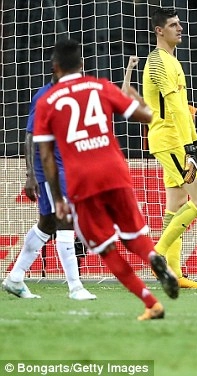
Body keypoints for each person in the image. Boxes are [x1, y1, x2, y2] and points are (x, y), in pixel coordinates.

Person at [33, 38, 179, 320]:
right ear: (82, 65)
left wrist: (59, 198)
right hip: (115, 171)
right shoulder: (101, 86)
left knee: (106, 248)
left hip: (81, 181)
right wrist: (135, 96)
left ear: (55, 67)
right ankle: (153, 259)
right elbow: (147, 117)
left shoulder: (47, 101)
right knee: (134, 235)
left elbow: (47, 157)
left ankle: (151, 303)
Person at [2, 76, 97, 301]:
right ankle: (75, 287)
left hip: (67, 167)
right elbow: (30, 135)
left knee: (47, 224)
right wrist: (30, 175)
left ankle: (15, 278)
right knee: (65, 220)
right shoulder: (44, 96)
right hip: (49, 169)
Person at [142, 8, 197, 289]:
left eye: (180, 24)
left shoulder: (172, 59)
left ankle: (174, 274)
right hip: (171, 140)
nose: (179, 28)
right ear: (159, 30)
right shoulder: (158, 62)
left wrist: (194, 140)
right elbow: (172, 107)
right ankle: (157, 252)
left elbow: (183, 109)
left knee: (176, 206)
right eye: (173, 25)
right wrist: (190, 146)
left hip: (177, 139)